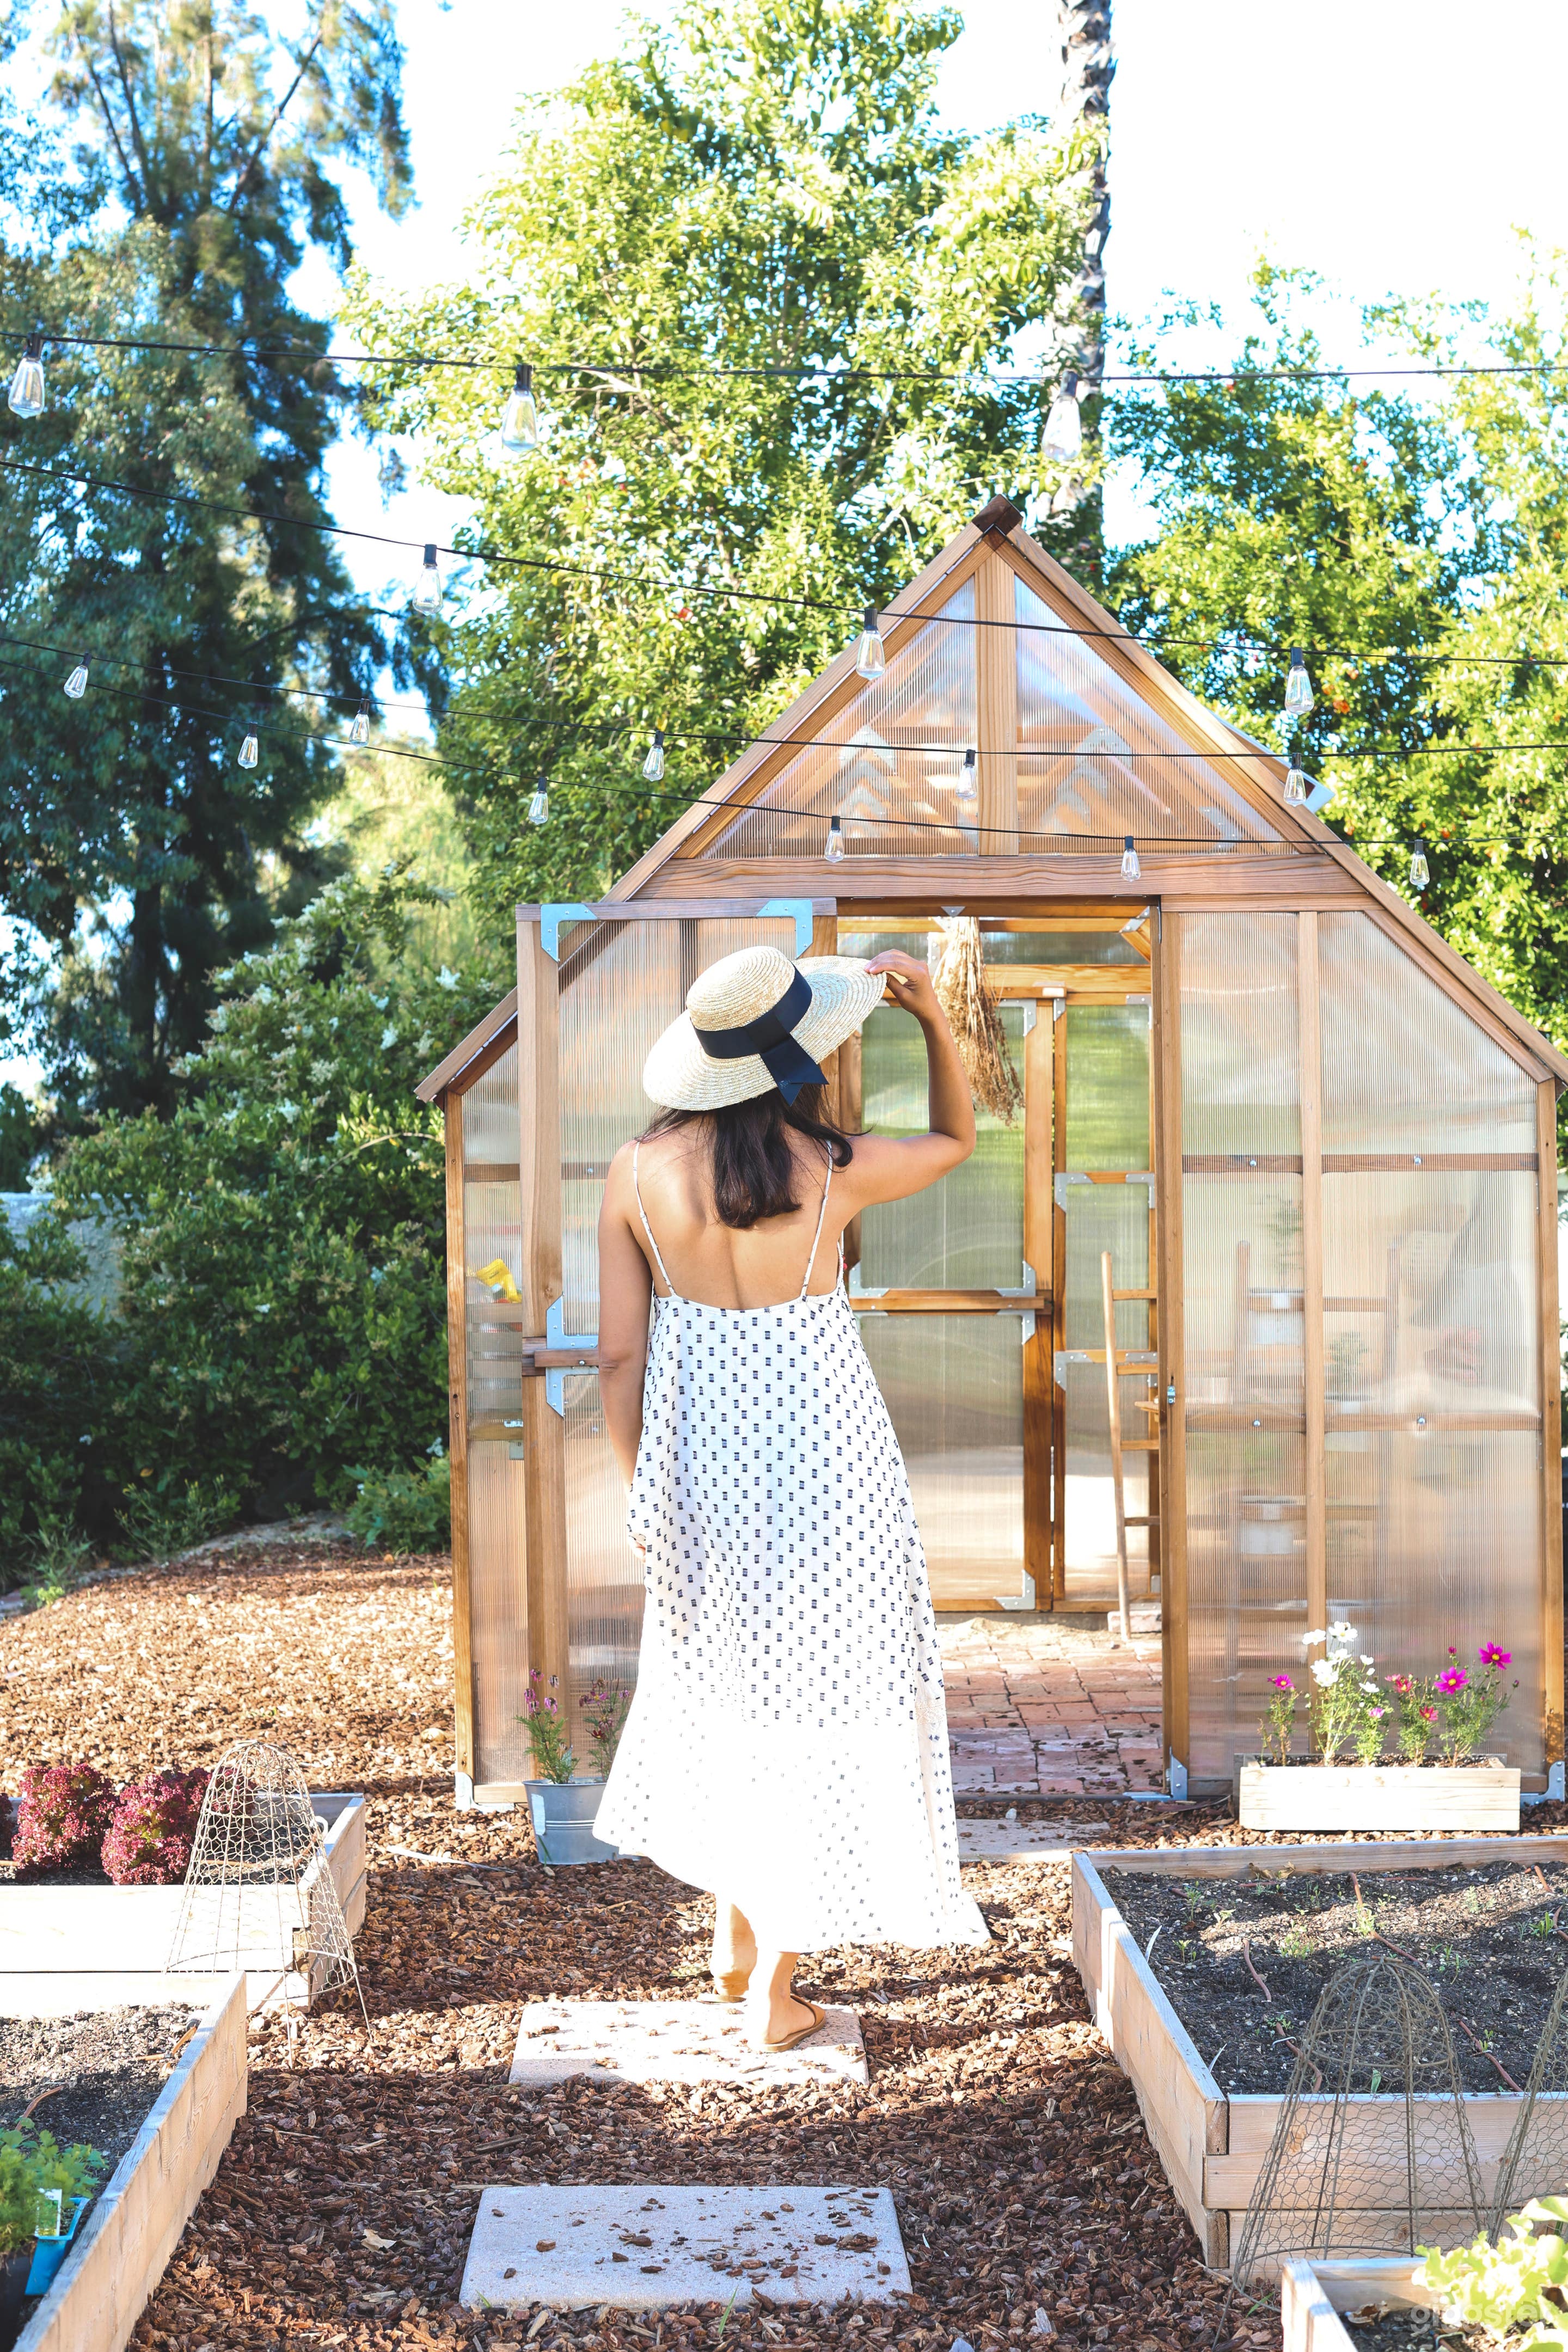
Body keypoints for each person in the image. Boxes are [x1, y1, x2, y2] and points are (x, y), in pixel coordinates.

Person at [593, 940, 988, 2052]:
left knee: (728, 1696)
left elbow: (620, 1362)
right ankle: (773, 1986)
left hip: (698, 1478)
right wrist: (930, 1018)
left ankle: (734, 1941)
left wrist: (643, 1495)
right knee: (815, 1706)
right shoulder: (830, 1167)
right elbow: (959, 1138)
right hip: (830, 1477)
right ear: (792, 1057)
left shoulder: (634, 1174)